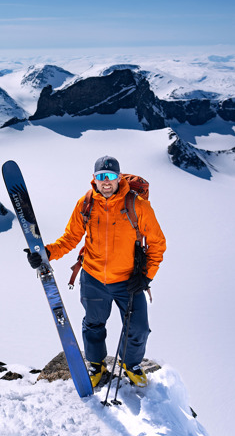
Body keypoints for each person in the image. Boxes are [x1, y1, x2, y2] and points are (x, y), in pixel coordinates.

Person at [25, 155, 166, 388]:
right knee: (93, 324)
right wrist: (47, 254)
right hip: (93, 277)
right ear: (94, 179)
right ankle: (96, 364)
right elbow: (70, 238)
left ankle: (130, 364)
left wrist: (146, 276)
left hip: (128, 280)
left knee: (138, 327)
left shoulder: (137, 205)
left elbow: (157, 243)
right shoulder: (86, 203)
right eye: (101, 176)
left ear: (120, 178)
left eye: (111, 176)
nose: (106, 181)